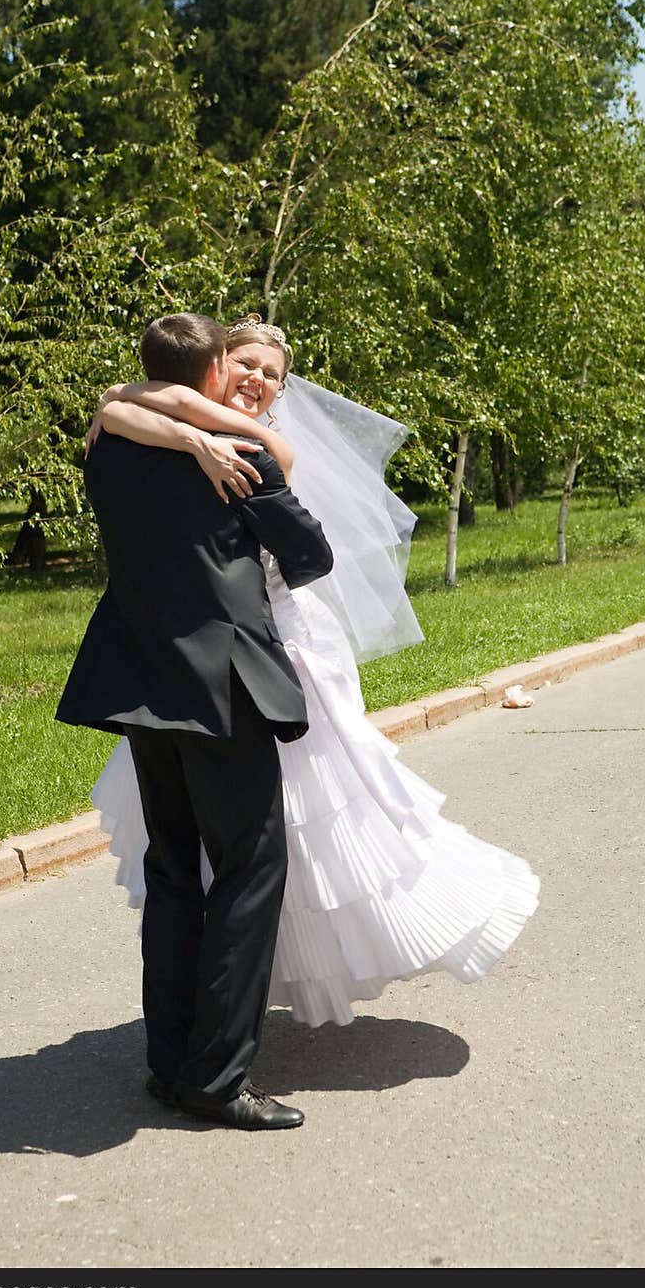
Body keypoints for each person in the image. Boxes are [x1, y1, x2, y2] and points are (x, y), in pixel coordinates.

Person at [87, 314, 540, 1031]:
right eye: (244, 365)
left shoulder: (265, 452)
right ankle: (216, 1018)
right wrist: (190, 433)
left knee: (310, 828)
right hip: (199, 665)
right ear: (215, 368)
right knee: (236, 849)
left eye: (271, 375)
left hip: (278, 652)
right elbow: (119, 406)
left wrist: (189, 429)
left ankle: (228, 1011)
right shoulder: (146, 423)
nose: (256, 380)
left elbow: (291, 546)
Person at [56, 312, 334, 1130]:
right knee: (250, 870)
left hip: (141, 678)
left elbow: (115, 403)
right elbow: (311, 557)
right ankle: (216, 1080)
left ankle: (169, 1064)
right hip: (224, 688)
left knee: (175, 868)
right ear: (214, 372)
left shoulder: (107, 442)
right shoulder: (242, 455)